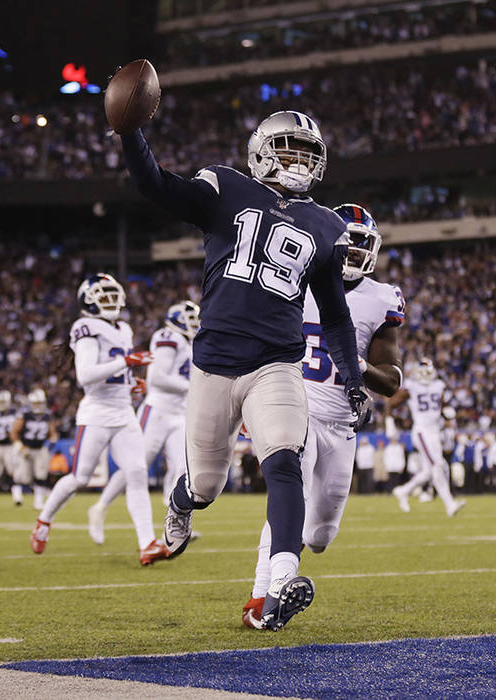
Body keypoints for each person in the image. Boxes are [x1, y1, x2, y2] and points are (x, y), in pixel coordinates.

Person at [120, 110, 367, 631]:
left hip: (276, 363)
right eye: (288, 149)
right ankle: (181, 502)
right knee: (207, 486)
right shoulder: (225, 186)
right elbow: (156, 185)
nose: (298, 161)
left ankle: (280, 582)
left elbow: (336, 315)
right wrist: (129, 131)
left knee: (284, 459)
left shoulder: (328, 225)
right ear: (260, 151)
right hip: (213, 365)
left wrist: (352, 377)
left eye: (307, 153)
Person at [242, 204, 405, 629]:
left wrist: (358, 365)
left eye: (361, 243)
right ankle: (261, 600)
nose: (353, 251)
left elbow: (390, 381)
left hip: (343, 426)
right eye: (346, 242)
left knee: (319, 535)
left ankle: (286, 563)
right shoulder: (293, 282)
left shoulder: (381, 299)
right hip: (298, 409)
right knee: (289, 499)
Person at [29, 273, 165, 565]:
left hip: (124, 412)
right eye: (104, 296)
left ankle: (147, 544)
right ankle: (44, 519)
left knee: (137, 473)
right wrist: (125, 362)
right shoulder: (85, 326)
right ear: (88, 302)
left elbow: (116, 372)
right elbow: (86, 375)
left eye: (113, 295)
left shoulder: (124, 329)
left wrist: (131, 383)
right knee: (79, 478)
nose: (111, 301)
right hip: (96, 413)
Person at [88, 300, 200, 545]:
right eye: (190, 319)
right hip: (158, 411)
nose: (195, 324)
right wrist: (192, 386)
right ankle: (100, 507)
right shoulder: (167, 336)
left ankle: (174, 520)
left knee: (184, 468)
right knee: (137, 467)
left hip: (180, 414)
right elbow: (157, 378)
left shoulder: (189, 343)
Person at [389, 359, 466, 516]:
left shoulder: (438, 386)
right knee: (437, 465)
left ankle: (404, 491)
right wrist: (390, 421)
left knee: (428, 471)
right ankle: (450, 504)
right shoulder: (412, 387)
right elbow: (392, 403)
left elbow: (440, 407)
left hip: (435, 432)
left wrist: (447, 414)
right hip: (422, 432)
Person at [13, 389, 58, 511]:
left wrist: (53, 438)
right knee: (24, 477)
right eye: (36, 403)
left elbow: (52, 432)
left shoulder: (47, 415)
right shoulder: (24, 414)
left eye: (40, 403)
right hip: (26, 447)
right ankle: (17, 495)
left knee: (41, 475)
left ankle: (38, 501)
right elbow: (14, 432)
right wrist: (20, 447)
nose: (38, 405)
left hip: (40, 448)